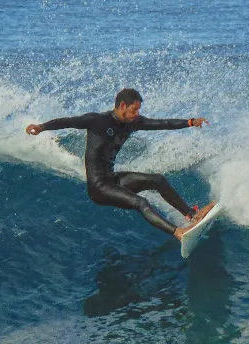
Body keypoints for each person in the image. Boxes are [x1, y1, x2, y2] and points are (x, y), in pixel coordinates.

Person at [26, 88, 215, 241]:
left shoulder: (132, 123)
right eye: (134, 109)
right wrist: (42, 127)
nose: (137, 114)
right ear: (122, 106)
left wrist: (190, 122)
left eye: (138, 110)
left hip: (113, 180)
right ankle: (178, 233)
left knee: (157, 180)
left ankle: (191, 215)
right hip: (99, 187)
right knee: (141, 202)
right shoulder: (98, 121)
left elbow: (161, 123)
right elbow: (68, 122)